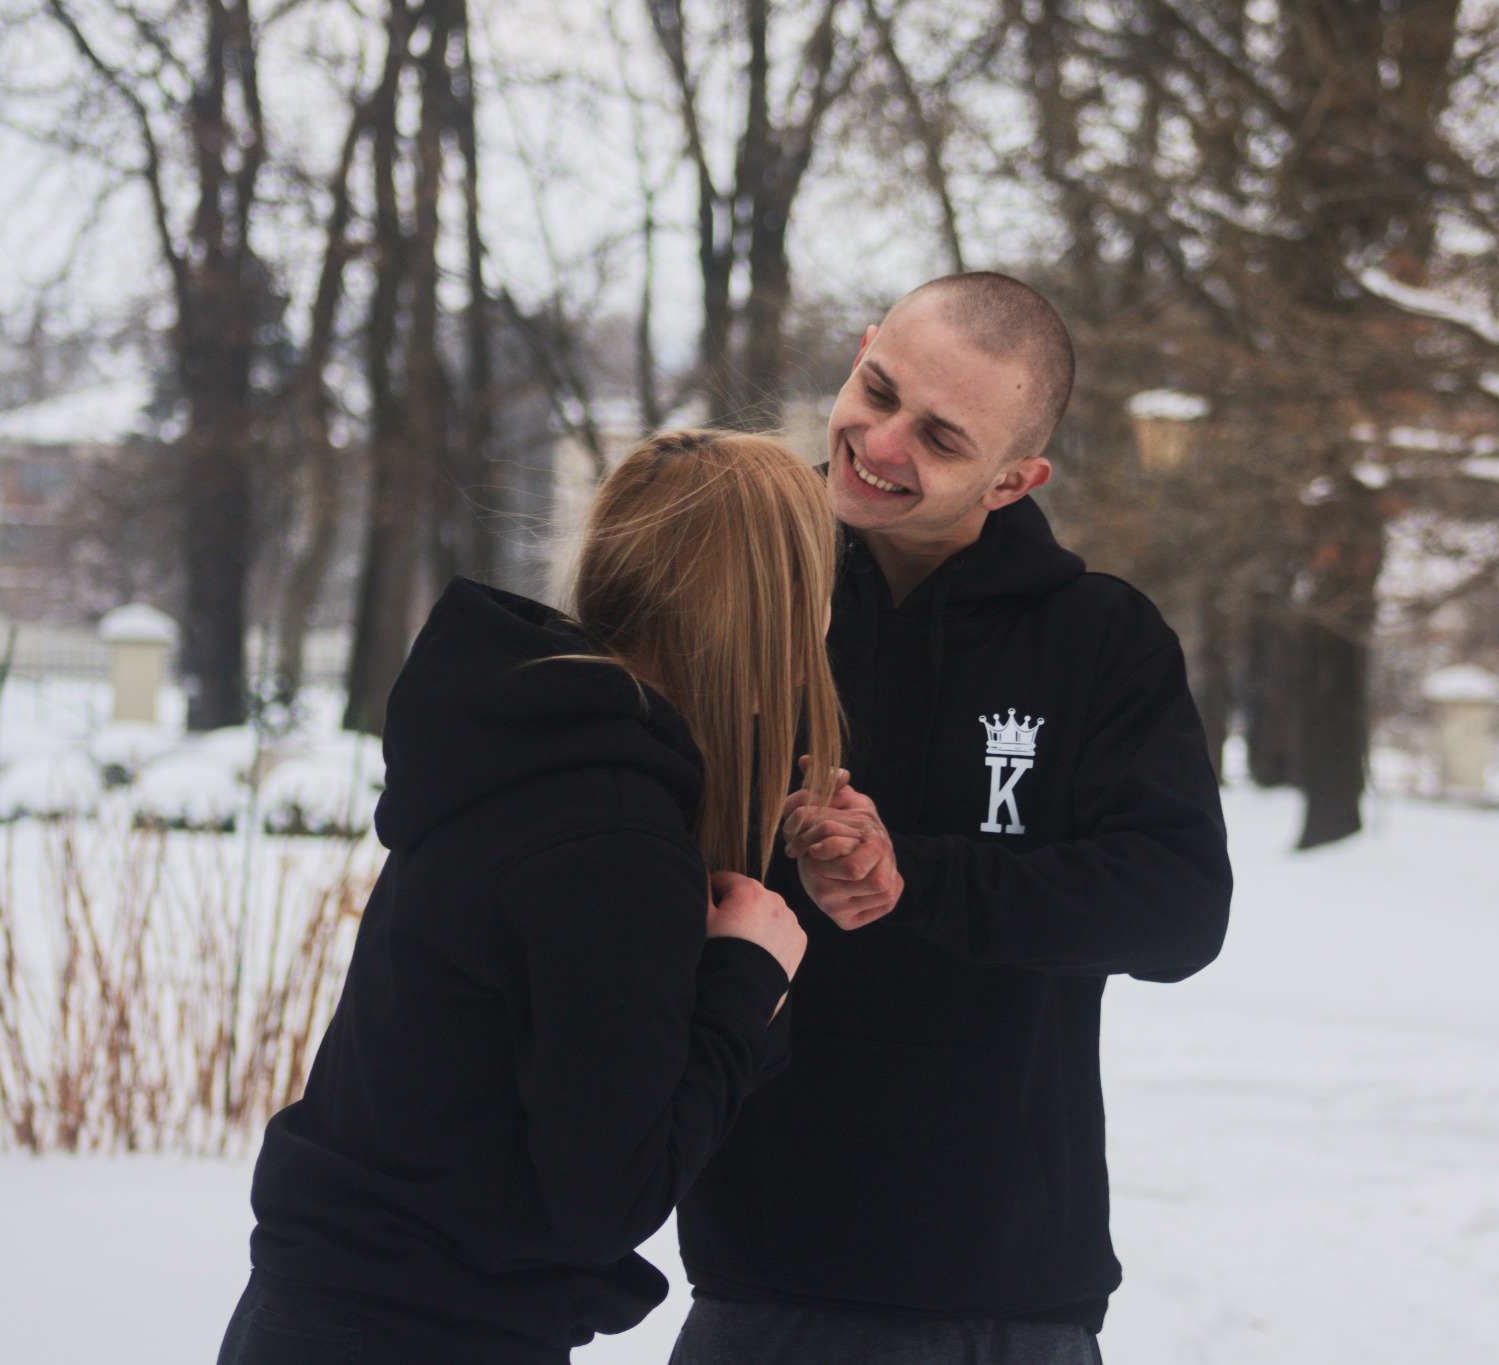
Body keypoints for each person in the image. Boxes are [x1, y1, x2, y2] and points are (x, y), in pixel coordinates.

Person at [671, 273, 1235, 1364]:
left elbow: (1178, 911)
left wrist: (913, 877)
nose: (880, 444)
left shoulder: (1100, 640)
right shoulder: (734, 594)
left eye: (939, 436)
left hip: (1006, 1298)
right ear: (860, 350)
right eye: (878, 391)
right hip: (755, 1267)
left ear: (1014, 479)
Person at [218, 430, 843, 1364]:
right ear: (769, 612)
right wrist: (746, 979)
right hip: (421, 1332)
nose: (827, 623)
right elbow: (610, 1196)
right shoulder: (614, 842)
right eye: (821, 588)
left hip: (334, 1311)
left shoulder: (530, 754)